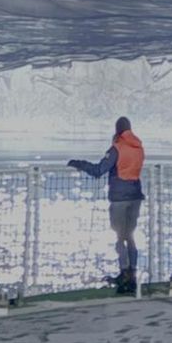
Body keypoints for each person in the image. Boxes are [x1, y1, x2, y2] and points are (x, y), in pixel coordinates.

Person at [68, 116, 145, 294]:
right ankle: (132, 274)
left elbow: (99, 170)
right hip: (135, 197)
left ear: (117, 130)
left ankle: (124, 274)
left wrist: (79, 164)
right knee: (130, 236)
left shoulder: (117, 148)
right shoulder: (139, 147)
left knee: (120, 237)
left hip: (119, 199)